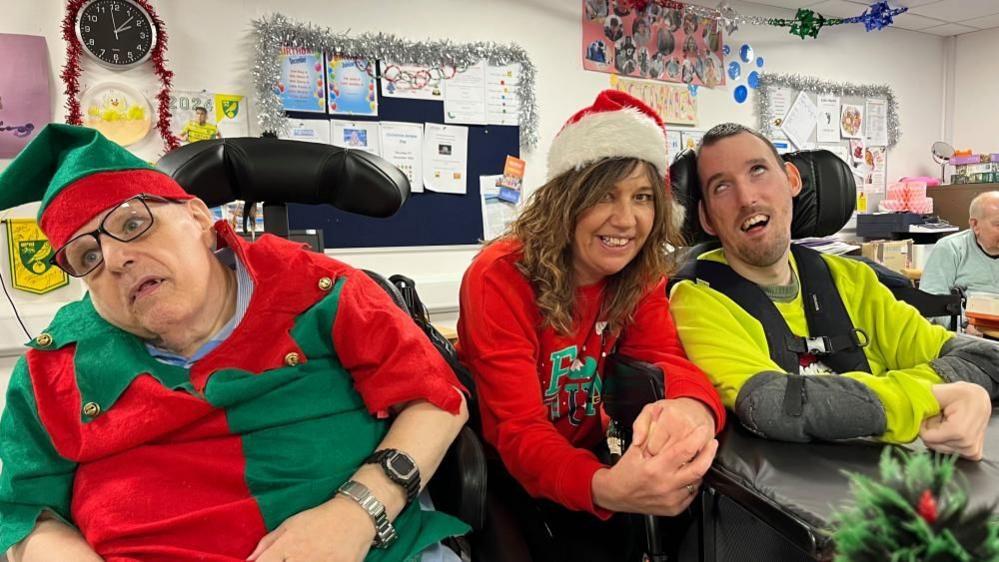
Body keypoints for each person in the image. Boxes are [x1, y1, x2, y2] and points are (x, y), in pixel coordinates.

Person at [0, 124, 470, 562]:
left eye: (131, 224)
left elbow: (437, 401)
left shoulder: (322, 290)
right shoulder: (52, 366)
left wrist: (357, 511)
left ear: (198, 216)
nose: (116, 258)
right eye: (87, 255)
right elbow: (23, 517)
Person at [457, 90, 725, 561]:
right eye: (605, 194)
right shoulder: (500, 275)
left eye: (643, 197)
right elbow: (517, 430)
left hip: (588, 451)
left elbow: (663, 359)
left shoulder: (638, 275)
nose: (626, 220)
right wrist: (605, 487)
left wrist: (692, 409)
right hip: (505, 472)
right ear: (566, 200)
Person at [670, 123, 998, 461]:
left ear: (792, 180)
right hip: (791, 499)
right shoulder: (697, 299)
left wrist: (968, 396)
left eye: (758, 170)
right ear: (707, 219)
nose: (747, 198)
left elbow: (985, 358)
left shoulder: (854, 280)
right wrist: (936, 394)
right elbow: (772, 402)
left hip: (891, 480)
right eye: (722, 186)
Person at [921, 191, 999, 335]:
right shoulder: (951, 248)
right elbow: (931, 302)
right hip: (969, 336)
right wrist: (962, 325)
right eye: (998, 225)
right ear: (975, 225)